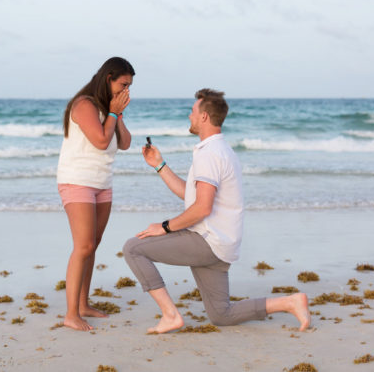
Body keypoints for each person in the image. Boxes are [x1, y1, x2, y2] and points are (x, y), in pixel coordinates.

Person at [123, 89, 311, 334]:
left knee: (133, 248)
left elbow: (202, 208)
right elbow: (191, 196)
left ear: (203, 117)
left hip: (207, 241)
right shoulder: (221, 150)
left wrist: (164, 227)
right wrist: (159, 165)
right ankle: (289, 302)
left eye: (192, 112)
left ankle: (170, 315)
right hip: (221, 245)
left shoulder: (209, 154)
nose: (189, 116)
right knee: (221, 314)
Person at [57, 57, 135, 331]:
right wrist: (112, 114)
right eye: (123, 85)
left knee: (94, 244)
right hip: (77, 181)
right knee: (84, 246)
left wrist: (117, 113)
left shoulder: (108, 108)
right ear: (108, 78)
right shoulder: (84, 104)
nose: (126, 91)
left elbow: (124, 143)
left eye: (129, 87)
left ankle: (82, 304)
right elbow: (101, 141)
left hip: (102, 183)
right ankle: (70, 314)